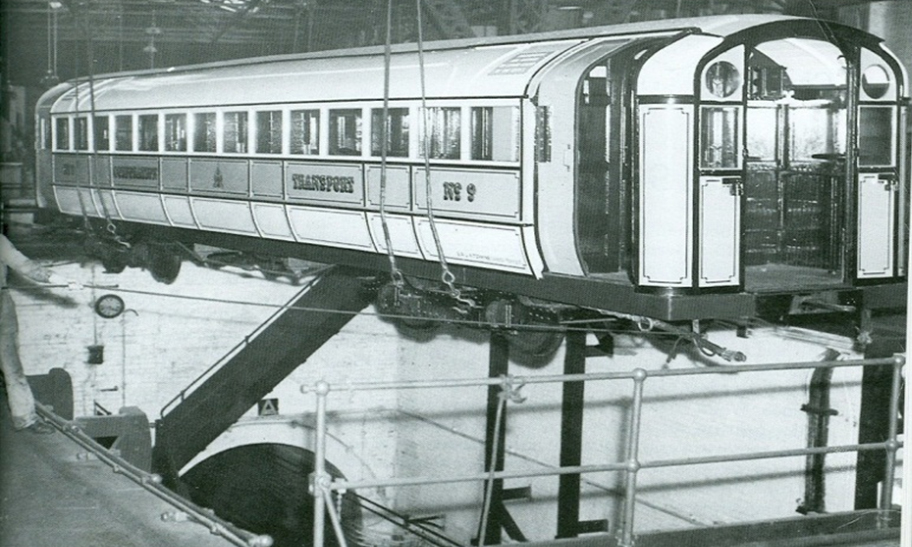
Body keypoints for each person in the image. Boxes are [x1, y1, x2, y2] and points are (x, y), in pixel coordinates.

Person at [1, 232, 73, 434]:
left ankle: (25, 418)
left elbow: (24, 265)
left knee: (13, 368)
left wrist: (58, 278)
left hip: (1, 309)